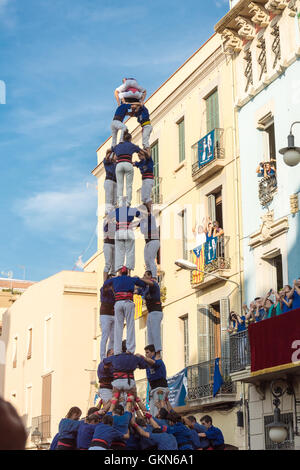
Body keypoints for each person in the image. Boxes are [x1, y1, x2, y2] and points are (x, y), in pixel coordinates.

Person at [104, 268, 147, 354]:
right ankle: (130, 349)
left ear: (120, 272)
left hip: (118, 303)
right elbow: (143, 284)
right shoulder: (131, 279)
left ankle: (117, 350)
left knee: (118, 327)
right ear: (127, 272)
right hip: (128, 302)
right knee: (130, 325)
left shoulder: (115, 279)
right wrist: (139, 289)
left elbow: (105, 284)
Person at [113, 131, 147, 207]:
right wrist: (146, 153)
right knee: (129, 185)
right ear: (130, 139)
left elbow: (114, 158)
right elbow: (141, 151)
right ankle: (128, 202)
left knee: (120, 185)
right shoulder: (132, 145)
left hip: (119, 165)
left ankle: (120, 203)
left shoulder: (118, 146)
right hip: (128, 164)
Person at [112, 203, 142, 273]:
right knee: (130, 251)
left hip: (119, 232)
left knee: (119, 252)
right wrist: (138, 224)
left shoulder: (116, 210)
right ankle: (129, 272)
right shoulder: (131, 210)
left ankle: (119, 272)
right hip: (129, 231)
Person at [143, 344, 169, 417]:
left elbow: (155, 364)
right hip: (153, 389)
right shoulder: (147, 364)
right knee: (152, 412)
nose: (146, 354)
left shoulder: (158, 361)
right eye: (145, 353)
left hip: (159, 388)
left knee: (159, 409)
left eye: (147, 352)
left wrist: (142, 358)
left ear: (153, 352)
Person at [142, 272, 163, 354]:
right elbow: (137, 290)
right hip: (150, 313)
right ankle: (151, 352)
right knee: (150, 335)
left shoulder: (154, 284)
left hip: (156, 312)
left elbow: (151, 283)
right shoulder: (146, 288)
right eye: (143, 275)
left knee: (155, 332)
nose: (144, 277)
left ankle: (158, 353)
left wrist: (140, 279)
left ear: (150, 276)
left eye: (145, 275)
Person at [139, 215, 160, 279]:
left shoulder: (151, 218)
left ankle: (154, 277)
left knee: (151, 259)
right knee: (147, 261)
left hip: (153, 241)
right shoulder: (143, 220)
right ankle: (148, 275)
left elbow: (143, 230)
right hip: (148, 242)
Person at [99, 280, 115, 360]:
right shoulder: (104, 289)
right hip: (105, 314)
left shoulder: (115, 290)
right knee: (105, 336)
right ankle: (102, 357)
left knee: (113, 337)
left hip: (114, 314)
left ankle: (110, 355)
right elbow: (104, 289)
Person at [103, 212, 116, 282]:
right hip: (107, 243)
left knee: (114, 265)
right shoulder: (106, 221)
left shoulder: (114, 223)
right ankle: (104, 282)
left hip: (114, 244)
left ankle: (113, 280)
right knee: (108, 264)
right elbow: (105, 229)